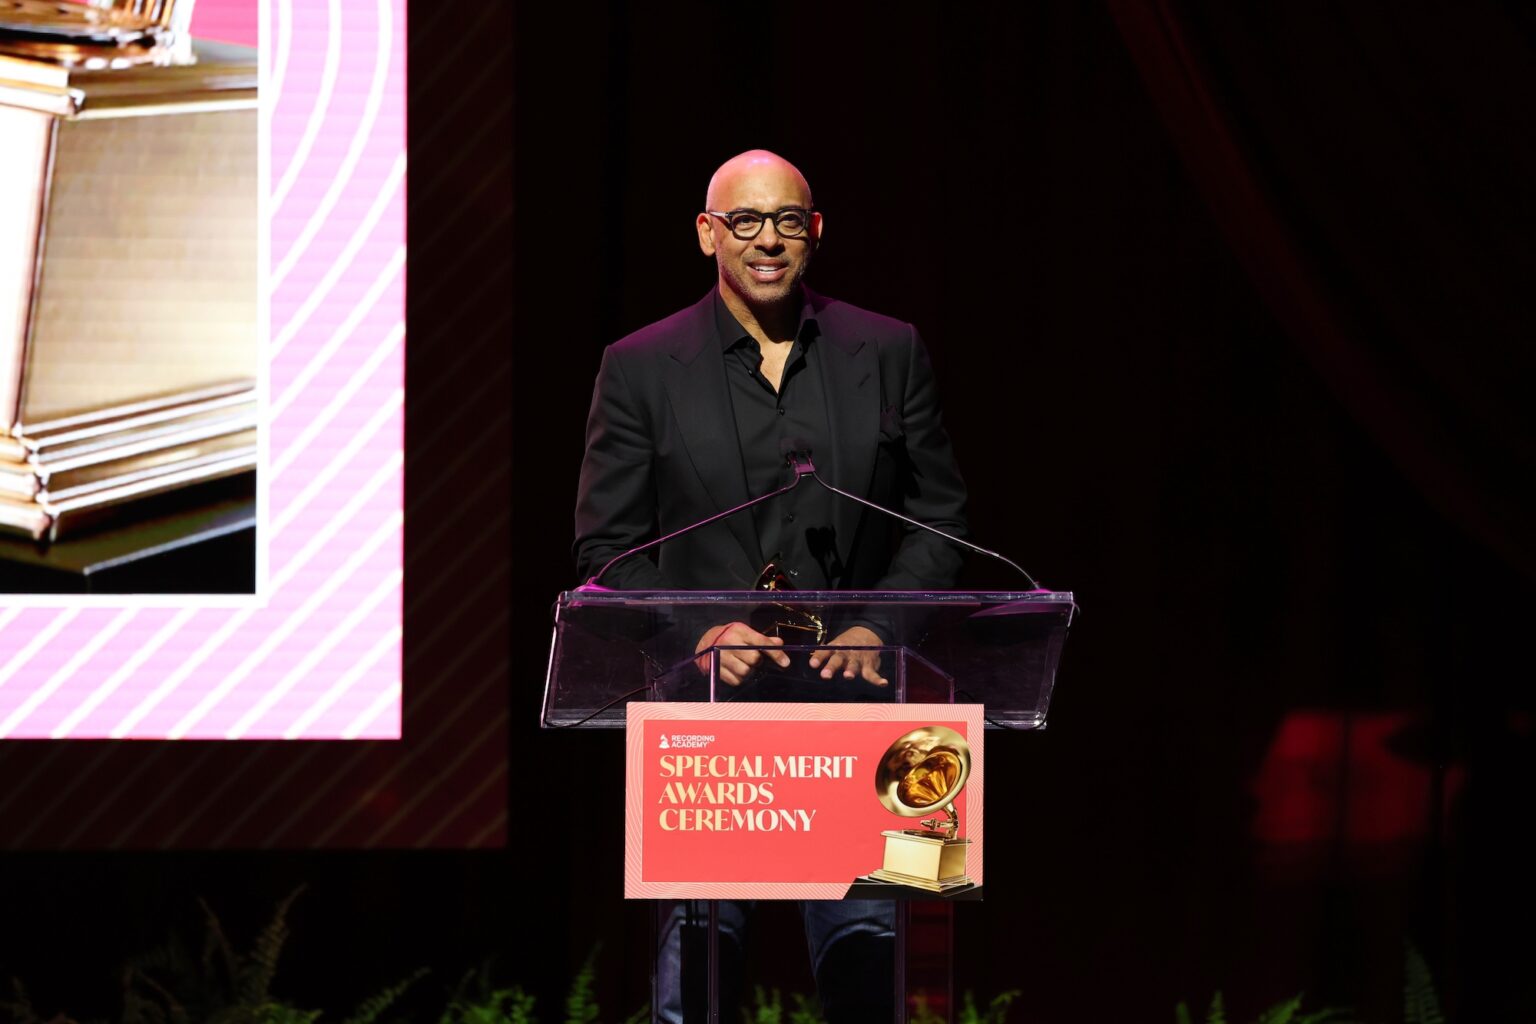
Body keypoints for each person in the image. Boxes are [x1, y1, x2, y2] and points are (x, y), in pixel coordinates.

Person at [572, 150, 969, 1023]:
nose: (768, 241)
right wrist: (703, 630)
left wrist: (881, 631)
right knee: (697, 987)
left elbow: (939, 522)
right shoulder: (640, 367)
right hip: (707, 727)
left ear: (815, 232)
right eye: (745, 221)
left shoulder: (889, 349)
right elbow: (606, 552)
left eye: (787, 220)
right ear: (707, 233)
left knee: (876, 981)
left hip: (866, 717)